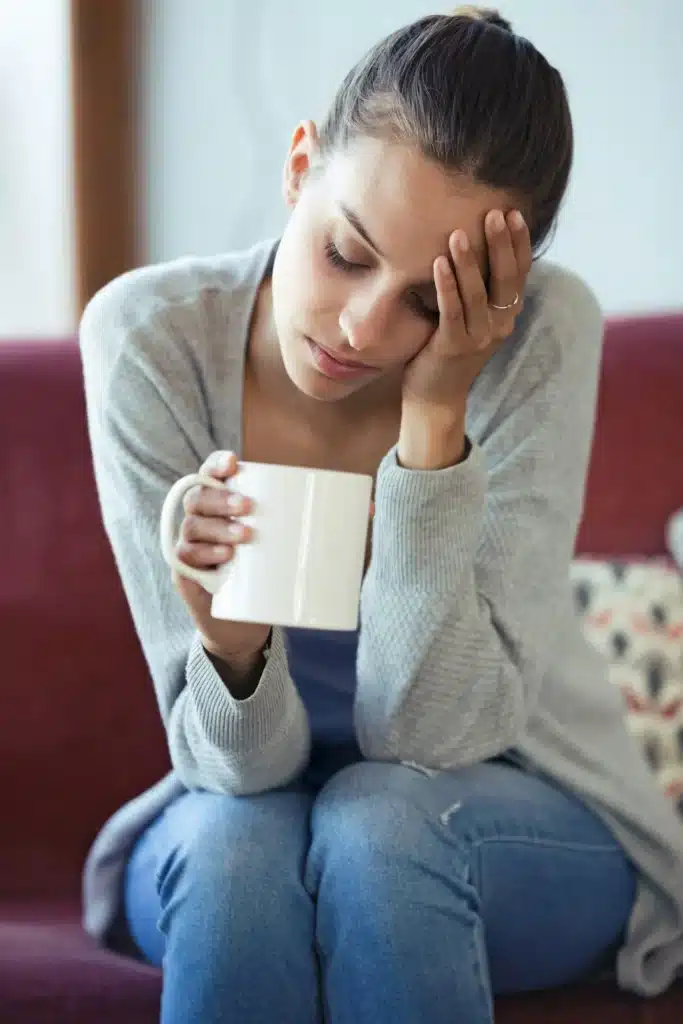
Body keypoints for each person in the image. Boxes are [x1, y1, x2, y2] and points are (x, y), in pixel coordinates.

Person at [79, 7, 683, 1023]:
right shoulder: (151, 340)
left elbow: (430, 735)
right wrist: (228, 647)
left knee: (378, 816)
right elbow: (233, 769)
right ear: (299, 166)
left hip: (501, 805)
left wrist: (435, 414)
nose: (359, 329)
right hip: (239, 810)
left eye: (427, 301)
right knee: (239, 844)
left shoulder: (539, 333)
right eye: (346, 254)